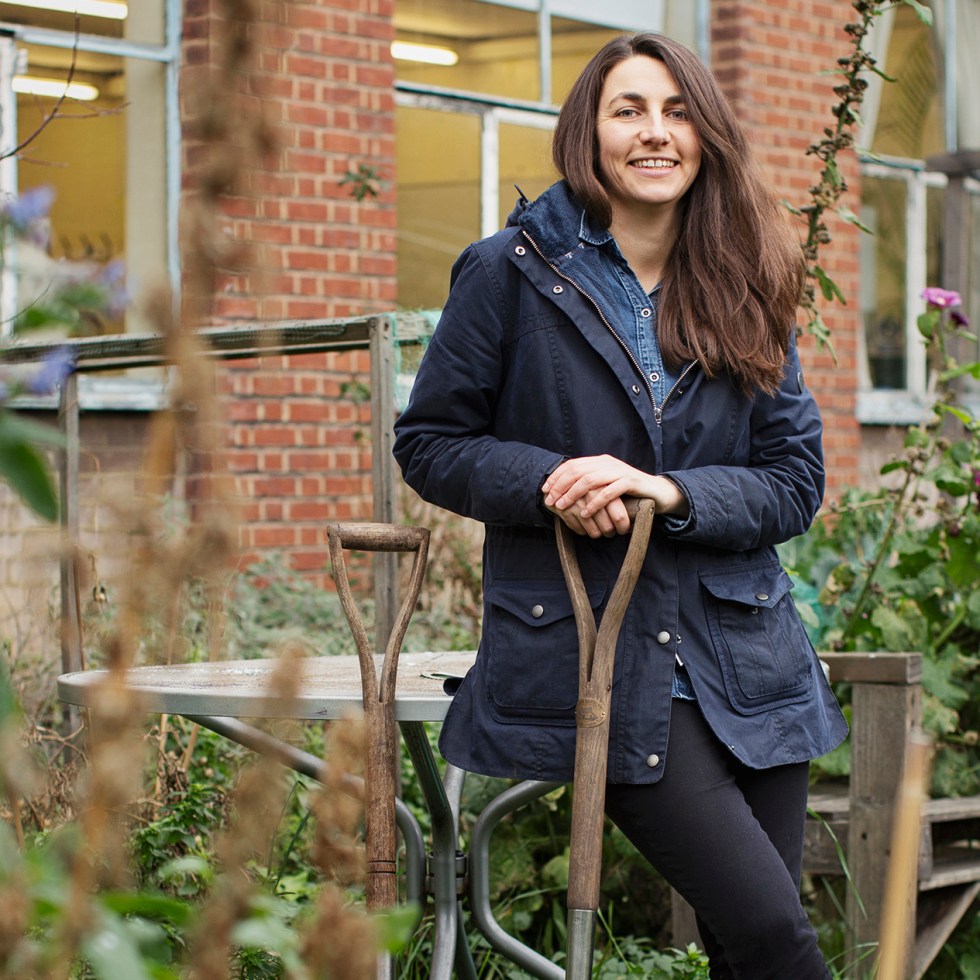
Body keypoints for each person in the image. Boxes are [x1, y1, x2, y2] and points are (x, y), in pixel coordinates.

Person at [393, 32, 848, 980]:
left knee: (744, 947)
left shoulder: (746, 279)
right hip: (601, 650)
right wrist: (551, 481)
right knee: (778, 941)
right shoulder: (507, 273)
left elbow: (795, 478)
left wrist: (670, 492)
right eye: (629, 110)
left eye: (678, 112)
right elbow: (431, 445)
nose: (656, 133)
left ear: (707, 135)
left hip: (750, 661)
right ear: (588, 133)